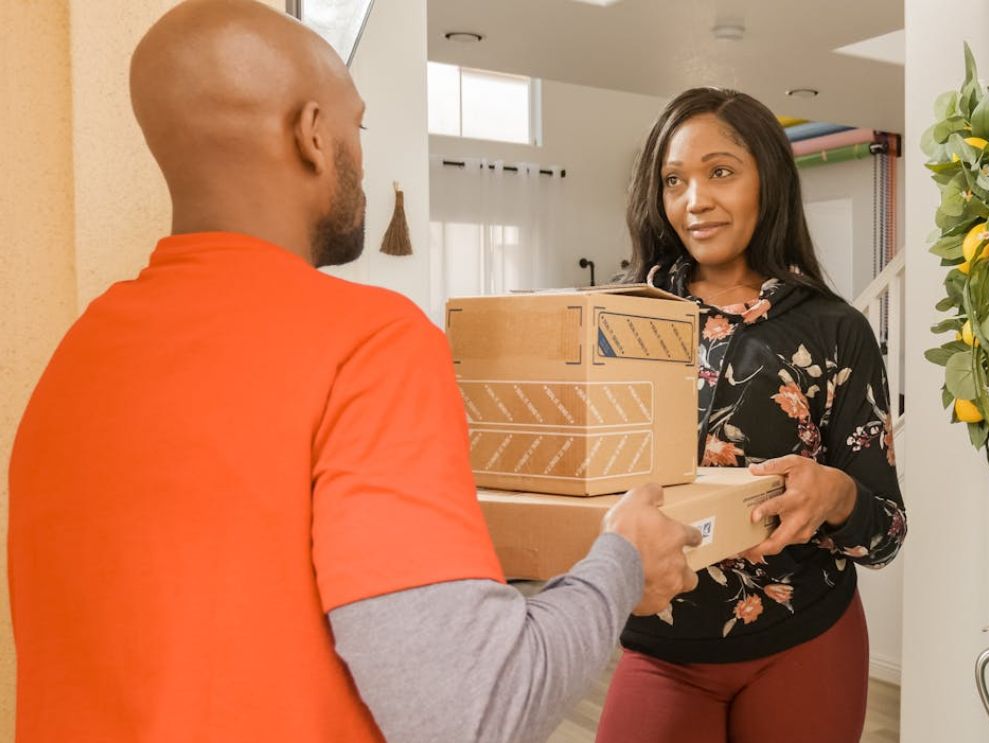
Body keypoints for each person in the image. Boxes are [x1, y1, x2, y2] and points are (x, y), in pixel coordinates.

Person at [6, 2, 700, 742]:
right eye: (358, 127)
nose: (364, 161)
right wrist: (622, 563)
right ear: (312, 134)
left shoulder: (79, 355)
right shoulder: (369, 342)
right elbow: (472, 711)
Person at [596, 87, 908, 742]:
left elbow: (885, 533)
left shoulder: (836, 330)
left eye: (720, 172)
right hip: (660, 645)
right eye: (673, 180)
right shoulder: (617, 320)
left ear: (768, 179)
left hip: (807, 640)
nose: (694, 200)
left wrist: (836, 493)